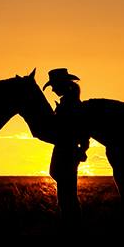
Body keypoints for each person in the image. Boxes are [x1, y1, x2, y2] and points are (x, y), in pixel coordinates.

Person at [42, 68, 89, 222]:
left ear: (62, 84)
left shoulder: (71, 104)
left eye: (54, 85)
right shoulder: (71, 102)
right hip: (68, 149)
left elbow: (78, 129)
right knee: (67, 194)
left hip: (66, 150)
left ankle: (71, 226)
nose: (53, 89)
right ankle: (71, 224)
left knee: (67, 195)